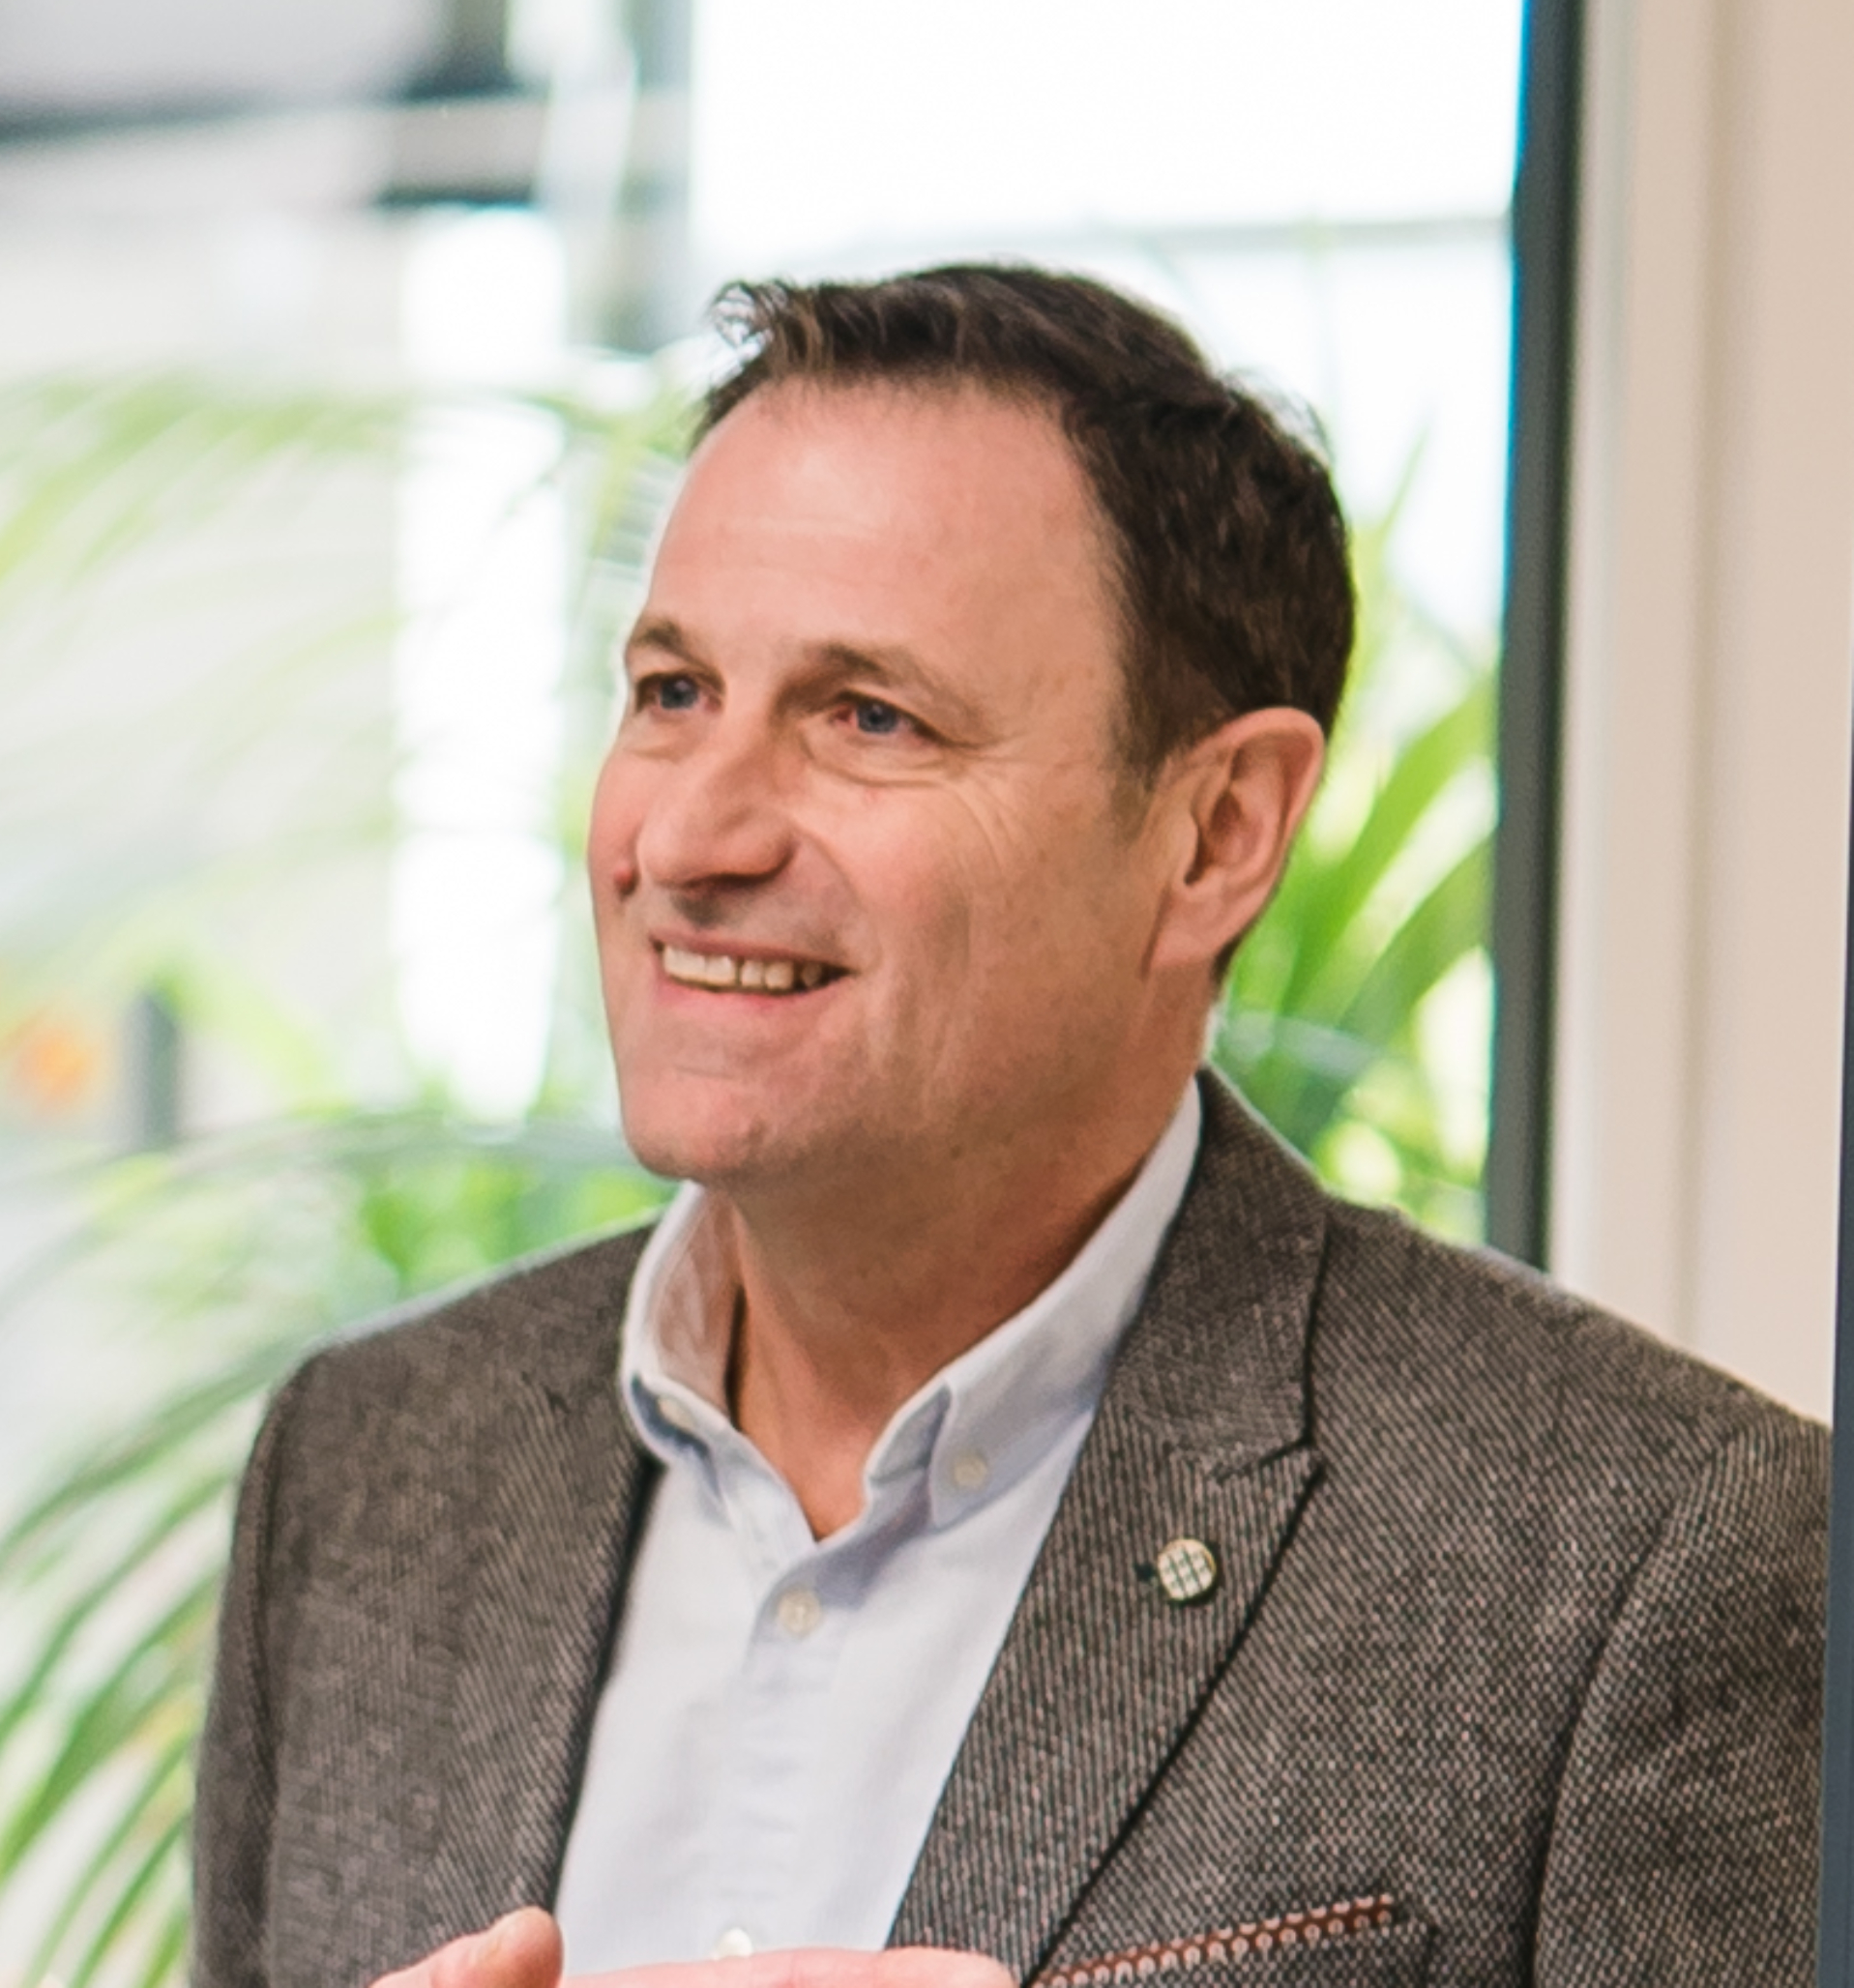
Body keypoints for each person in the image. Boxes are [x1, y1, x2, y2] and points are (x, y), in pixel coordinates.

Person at [193, 267, 1827, 1988]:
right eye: (673, 689)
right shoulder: (369, 1467)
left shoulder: (1645, 1555)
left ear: (1214, 832)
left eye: (867, 717)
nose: (689, 834)